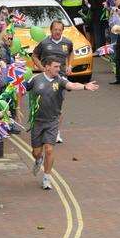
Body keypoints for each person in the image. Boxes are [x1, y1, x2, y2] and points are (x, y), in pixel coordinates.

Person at [26, 56, 98, 190]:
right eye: (55, 67)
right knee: (36, 152)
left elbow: (71, 85)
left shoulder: (60, 80)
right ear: (47, 67)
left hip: (52, 120)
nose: (59, 69)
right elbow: (21, 89)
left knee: (49, 149)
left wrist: (84, 87)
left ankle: (47, 178)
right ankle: (38, 160)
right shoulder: (35, 79)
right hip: (37, 121)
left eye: (59, 67)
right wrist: (17, 106)